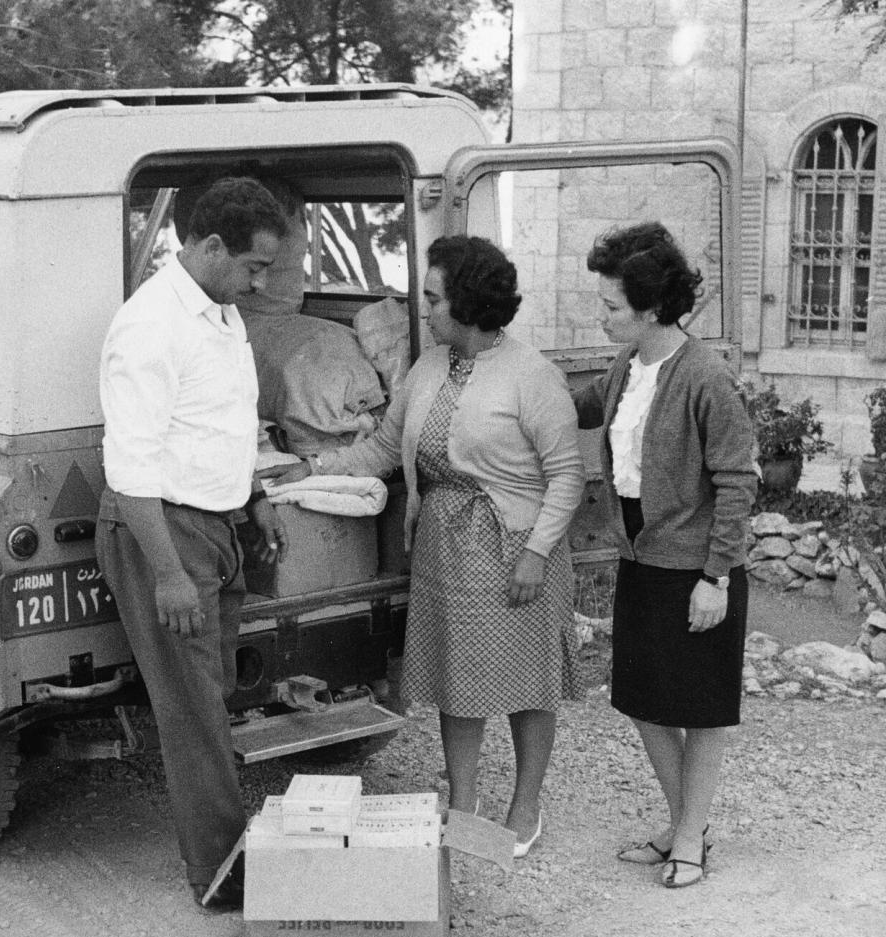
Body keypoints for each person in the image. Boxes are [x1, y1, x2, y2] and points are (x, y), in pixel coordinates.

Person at [271, 235, 585, 856]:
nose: (426, 309)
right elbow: (385, 449)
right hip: (445, 546)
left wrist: (536, 553)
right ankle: (462, 804)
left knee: (529, 681)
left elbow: (567, 476)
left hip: (516, 545)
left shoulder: (532, 376)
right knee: (456, 679)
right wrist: (313, 467)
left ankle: (526, 805)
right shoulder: (429, 367)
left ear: (468, 303)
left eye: (435, 297)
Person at [95, 176, 289, 906]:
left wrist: (256, 495)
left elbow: (222, 419)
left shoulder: (218, 307)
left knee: (213, 693)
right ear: (210, 247)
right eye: (254, 266)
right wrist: (168, 572)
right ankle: (222, 873)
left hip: (214, 523)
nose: (261, 280)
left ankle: (226, 849)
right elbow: (133, 463)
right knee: (193, 706)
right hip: (163, 529)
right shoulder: (151, 326)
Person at [574, 222, 756, 889]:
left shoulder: (707, 377)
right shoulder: (629, 364)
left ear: (650, 310)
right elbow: (582, 404)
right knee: (645, 698)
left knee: (701, 706)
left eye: (611, 307)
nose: (601, 316)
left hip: (698, 569)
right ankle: (688, 825)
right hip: (642, 559)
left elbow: (739, 480)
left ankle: (686, 834)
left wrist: (716, 578)